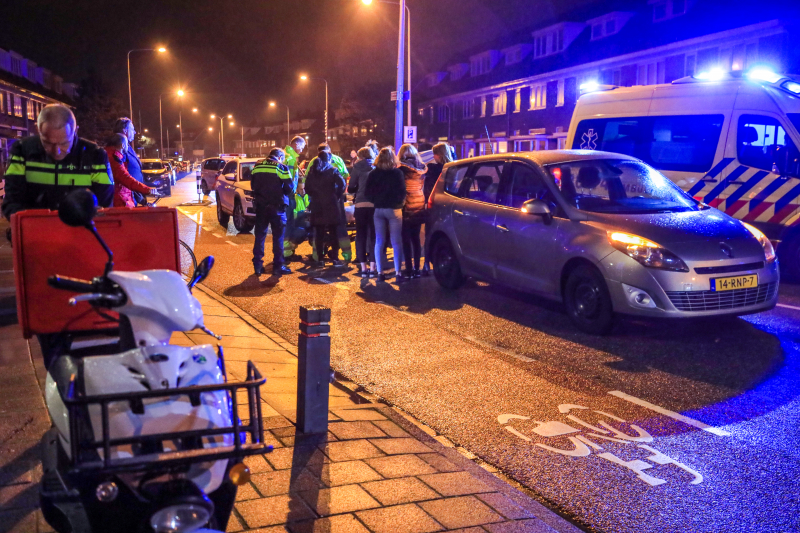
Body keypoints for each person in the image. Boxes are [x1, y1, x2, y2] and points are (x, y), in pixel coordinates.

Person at [2, 104, 114, 224]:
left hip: (79, 234)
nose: (57, 151)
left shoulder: (95, 156)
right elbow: (12, 202)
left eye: (65, 143)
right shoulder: (22, 151)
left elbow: (104, 205)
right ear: (37, 130)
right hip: (35, 233)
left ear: (75, 131)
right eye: (48, 143)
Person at [364, 146, 406, 283]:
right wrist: (399, 202)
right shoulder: (397, 173)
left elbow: (367, 193)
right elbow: (402, 192)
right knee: (396, 241)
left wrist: (376, 200)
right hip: (394, 209)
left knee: (379, 241)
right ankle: (398, 272)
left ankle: (380, 273)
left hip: (379, 209)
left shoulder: (373, 173)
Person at [250, 148, 294, 276]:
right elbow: (289, 188)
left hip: (260, 207)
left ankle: (258, 266)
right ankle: (277, 267)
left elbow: (253, 185)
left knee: (260, 236)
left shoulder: (257, 166)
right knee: (278, 237)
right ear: (279, 157)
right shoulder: (281, 167)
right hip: (277, 207)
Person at [306, 143, 352, 261]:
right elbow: (342, 184)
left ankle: (320, 259)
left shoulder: (312, 171)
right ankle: (335, 258)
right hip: (331, 205)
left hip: (317, 206)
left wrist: (314, 196)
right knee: (333, 232)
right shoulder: (332, 170)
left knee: (319, 233)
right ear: (329, 158)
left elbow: (307, 188)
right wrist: (336, 195)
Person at [420, 143, 453, 275]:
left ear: (438, 155)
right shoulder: (453, 168)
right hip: (449, 205)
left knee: (429, 235)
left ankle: (427, 264)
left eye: (434, 154)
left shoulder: (431, 169)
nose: (433, 156)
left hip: (432, 205)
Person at [397, 144, 427, 278]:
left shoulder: (401, 169)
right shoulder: (422, 168)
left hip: (407, 204)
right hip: (419, 202)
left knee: (406, 239)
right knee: (416, 238)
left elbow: (400, 188)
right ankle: (417, 268)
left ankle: (408, 269)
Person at [105, 134, 156, 207]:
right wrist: (147, 190)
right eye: (127, 144)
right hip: (119, 201)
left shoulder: (109, 155)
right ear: (122, 145)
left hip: (117, 199)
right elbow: (125, 178)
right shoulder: (114, 158)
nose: (127, 147)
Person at [348, 147, 376, 277]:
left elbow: (351, 187)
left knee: (361, 235)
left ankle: (363, 268)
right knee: (374, 236)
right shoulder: (376, 166)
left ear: (360, 156)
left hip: (360, 204)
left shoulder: (357, 167)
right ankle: (373, 267)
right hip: (374, 204)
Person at [112, 117, 147, 206]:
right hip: (125, 199)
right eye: (132, 129)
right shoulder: (119, 148)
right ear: (125, 131)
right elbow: (123, 177)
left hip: (132, 197)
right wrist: (140, 195)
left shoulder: (127, 147)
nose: (134, 132)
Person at [282, 136, 306, 258]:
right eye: (302, 147)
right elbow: (289, 180)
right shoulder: (290, 159)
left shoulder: (284, 155)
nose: (302, 150)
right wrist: (292, 194)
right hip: (288, 196)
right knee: (289, 223)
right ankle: (286, 253)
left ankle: (284, 251)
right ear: (296, 145)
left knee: (284, 223)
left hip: (281, 196)